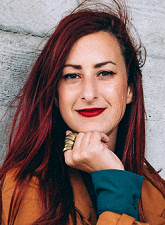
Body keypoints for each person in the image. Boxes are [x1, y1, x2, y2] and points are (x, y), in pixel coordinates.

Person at [0, 0, 165, 224]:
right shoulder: (24, 187)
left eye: (105, 72)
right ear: (56, 95)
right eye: (72, 75)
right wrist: (114, 183)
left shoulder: (157, 195)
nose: (89, 93)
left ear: (129, 90)